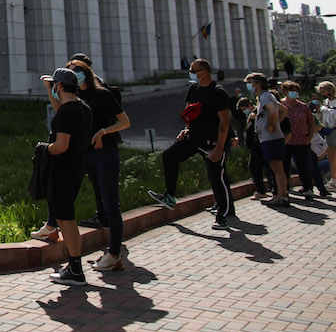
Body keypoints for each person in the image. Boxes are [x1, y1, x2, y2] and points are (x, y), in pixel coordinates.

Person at [147, 59, 233, 228]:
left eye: (194, 71)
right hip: (194, 138)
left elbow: (224, 123)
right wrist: (186, 129)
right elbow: (189, 112)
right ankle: (170, 196)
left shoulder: (218, 92)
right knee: (169, 156)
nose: (191, 74)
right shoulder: (194, 89)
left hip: (212, 142)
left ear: (205, 72)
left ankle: (223, 215)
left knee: (217, 178)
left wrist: (219, 148)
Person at [64, 58, 131, 271]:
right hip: (84, 154)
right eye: (70, 71)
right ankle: (52, 228)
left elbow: (124, 122)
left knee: (110, 204)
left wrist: (103, 132)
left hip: (105, 153)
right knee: (64, 193)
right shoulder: (74, 97)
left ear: (86, 73)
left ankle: (114, 254)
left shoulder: (103, 94)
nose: (74, 74)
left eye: (77, 70)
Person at [44, 67, 94, 286]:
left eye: (54, 85)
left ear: (59, 86)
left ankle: (75, 270)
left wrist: (44, 149)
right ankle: (74, 267)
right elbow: (62, 112)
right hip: (77, 166)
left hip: (63, 169)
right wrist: (49, 91)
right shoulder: (83, 107)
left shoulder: (67, 112)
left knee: (65, 219)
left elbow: (61, 146)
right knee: (65, 217)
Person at [245, 72, 290, 207]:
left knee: (277, 169)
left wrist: (271, 125)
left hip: (270, 138)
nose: (249, 86)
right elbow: (283, 109)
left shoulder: (265, 97)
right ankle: (281, 195)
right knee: (277, 168)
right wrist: (276, 123)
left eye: (250, 83)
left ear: (258, 84)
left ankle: (282, 196)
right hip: (270, 138)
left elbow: (273, 111)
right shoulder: (267, 96)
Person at [279, 80, 326, 197]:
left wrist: (309, 138)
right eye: (291, 90)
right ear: (285, 91)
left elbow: (311, 123)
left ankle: (308, 188)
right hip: (286, 141)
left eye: (296, 91)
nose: (294, 93)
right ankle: (285, 188)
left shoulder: (303, 107)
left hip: (302, 141)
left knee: (304, 165)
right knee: (284, 165)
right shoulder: (280, 106)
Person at [238, 96, 272, 200]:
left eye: (244, 109)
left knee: (258, 167)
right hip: (256, 146)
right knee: (257, 168)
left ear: (249, 105)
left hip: (259, 145)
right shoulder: (251, 116)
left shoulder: (258, 113)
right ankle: (265, 190)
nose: (244, 111)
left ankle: (263, 190)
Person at [318, 80, 336, 192]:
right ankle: (334, 180)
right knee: (331, 157)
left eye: (323, 91)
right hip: (328, 131)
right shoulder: (326, 102)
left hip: (334, 130)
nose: (322, 93)